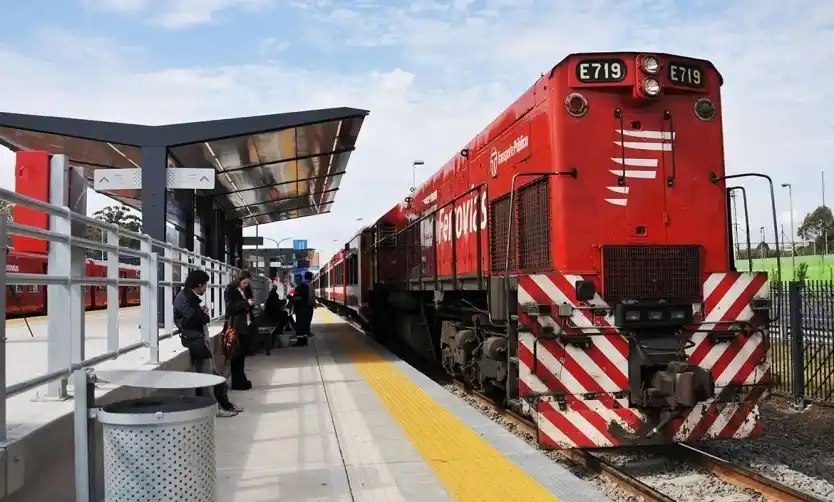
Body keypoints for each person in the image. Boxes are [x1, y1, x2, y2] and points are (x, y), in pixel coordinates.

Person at [174, 269, 241, 417]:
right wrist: (203, 315)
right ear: (198, 285)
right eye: (205, 285)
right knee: (208, 377)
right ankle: (214, 410)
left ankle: (224, 404)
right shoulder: (186, 299)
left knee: (215, 375)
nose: (206, 288)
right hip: (195, 341)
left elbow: (192, 316)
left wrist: (200, 312)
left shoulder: (186, 296)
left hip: (197, 339)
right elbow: (193, 319)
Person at [224, 270, 255, 390]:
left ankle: (241, 379)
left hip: (245, 325)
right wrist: (245, 303)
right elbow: (230, 308)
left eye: (247, 283)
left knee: (241, 355)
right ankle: (237, 382)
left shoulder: (245, 290)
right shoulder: (230, 290)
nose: (246, 285)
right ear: (239, 280)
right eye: (244, 283)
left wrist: (250, 304)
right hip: (236, 326)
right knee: (236, 355)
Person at [292, 271, 316, 338]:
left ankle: (304, 332)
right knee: (306, 320)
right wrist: (313, 303)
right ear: (310, 277)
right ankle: (304, 333)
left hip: (305, 306)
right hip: (306, 306)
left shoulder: (303, 285)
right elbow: (311, 296)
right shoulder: (308, 285)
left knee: (305, 320)